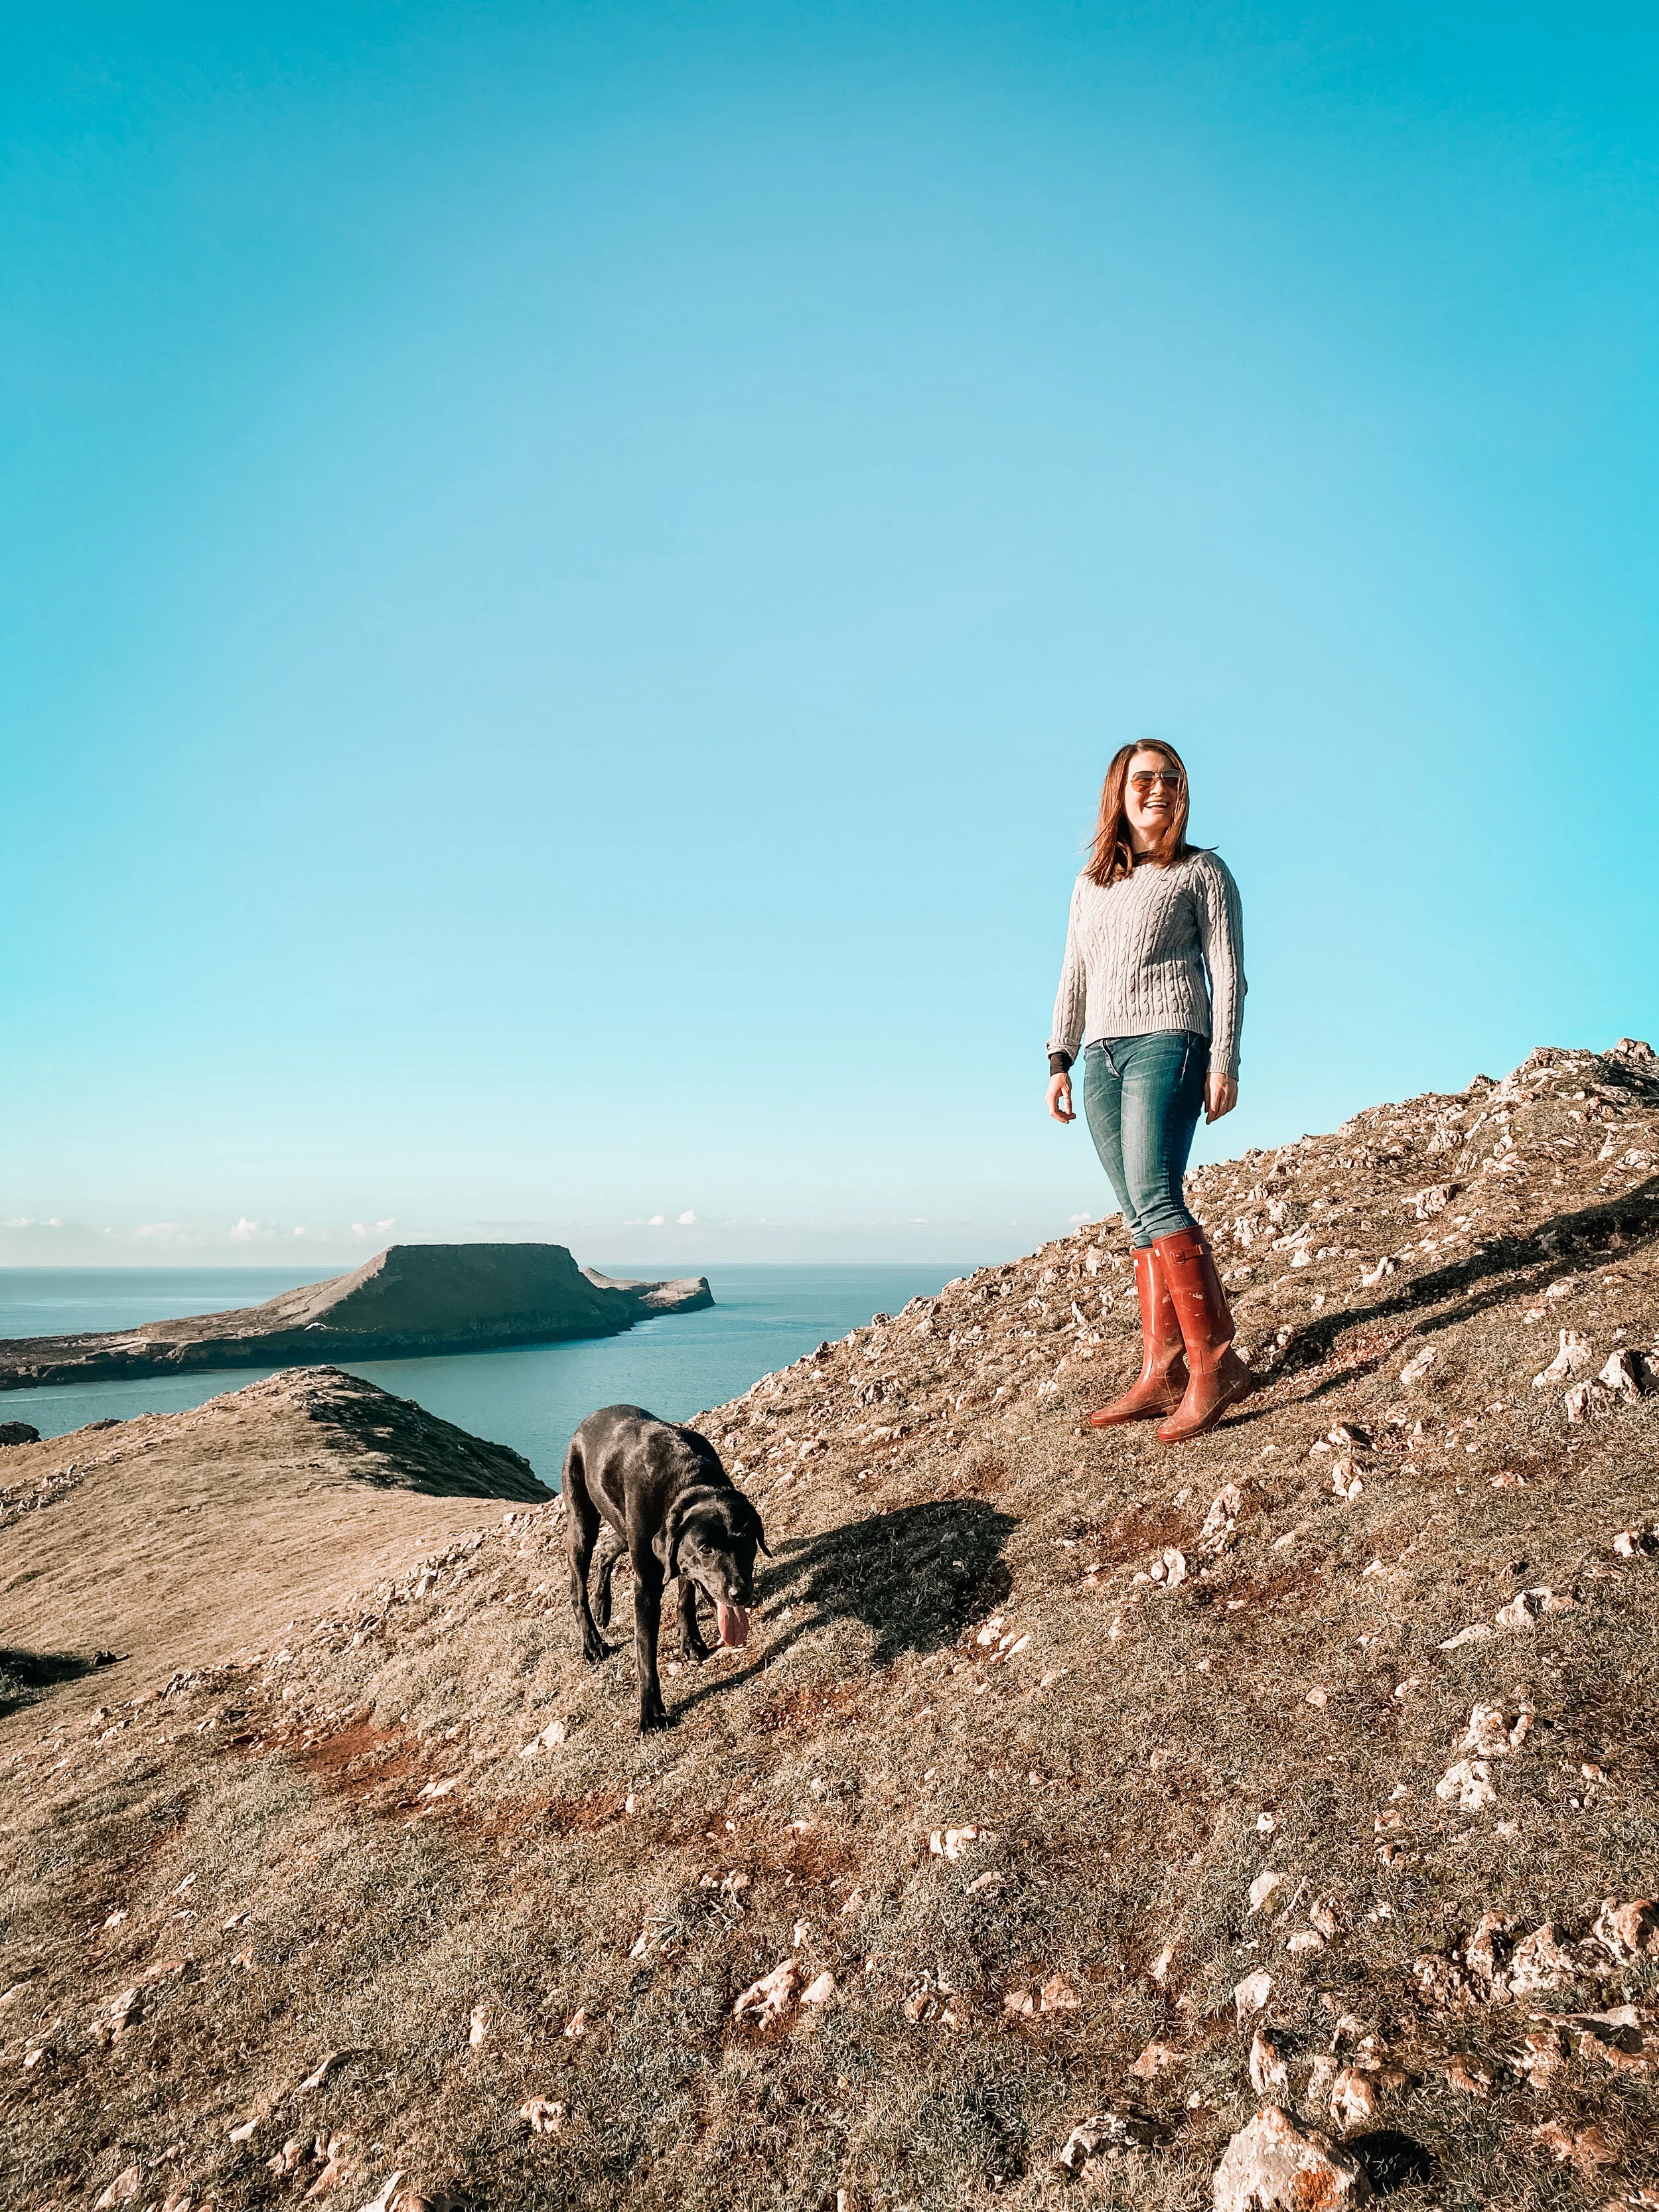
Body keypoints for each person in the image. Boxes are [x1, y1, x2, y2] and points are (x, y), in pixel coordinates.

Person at [1045, 741, 1255, 1441]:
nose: (1158, 788)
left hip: (1170, 1038)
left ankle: (1215, 1364)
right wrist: (1058, 1059)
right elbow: (1072, 975)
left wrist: (1223, 1059)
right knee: (1137, 1211)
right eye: (1144, 778)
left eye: (1170, 778)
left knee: (1159, 1196)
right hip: (1099, 1054)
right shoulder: (1089, 884)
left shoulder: (1202, 871)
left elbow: (1227, 972)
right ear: (1119, 791)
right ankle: (1162, 1372)